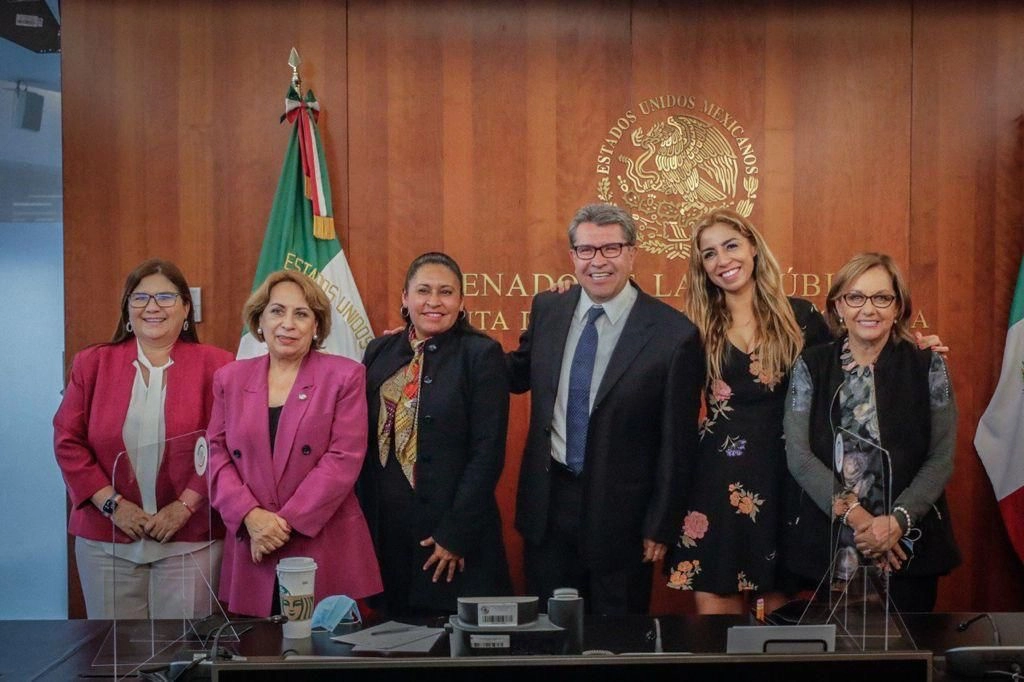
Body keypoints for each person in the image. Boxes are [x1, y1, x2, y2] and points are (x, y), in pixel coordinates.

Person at [508, 203, 704, 615]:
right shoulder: (548, 309)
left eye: (610, 248)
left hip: (624, 520)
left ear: (632, 253)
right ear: (573, 257)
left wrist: (660, 522)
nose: (598, 261)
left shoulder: (674, 334)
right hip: (549, 507)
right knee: (548, 634)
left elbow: (677, 443)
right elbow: (512, 373)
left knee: (617, 642)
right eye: (586, 250)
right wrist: (439, 330)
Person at [664, 209, 831, 615]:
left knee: (773, 629)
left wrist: (916, 352)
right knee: (716, 632)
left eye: (731, 245)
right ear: (701, 267)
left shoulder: (802, 317)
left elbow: (851, 369)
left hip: (785, 481)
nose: (723, 260)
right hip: (714, 483)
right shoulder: (693, 328)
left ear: (753, 247)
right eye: (709, 254)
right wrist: (575, 290)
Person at [53, 258, 234, 619]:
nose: (152, 306)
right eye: (140, 298)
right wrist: (113, 506)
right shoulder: (92, 363)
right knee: (118, 656)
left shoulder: (218, 365)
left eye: (166, 297)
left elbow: (225, 444)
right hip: (107, 541)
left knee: (183, 658)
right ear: (127, 310)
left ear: (186, 309)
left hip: (191, 539)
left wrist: (184, 507)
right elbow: (67, 441)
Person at [783, 252, 960, 612]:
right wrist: (863, 521)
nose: (869, 309)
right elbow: (798, 456)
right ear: (839, 306)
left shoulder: (928, 365)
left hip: (908, 544)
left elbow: (941, 456)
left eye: (882, 298)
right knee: (830, 666)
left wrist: (897, 522)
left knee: (907, 662)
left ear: (898, 308)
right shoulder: (811, 365)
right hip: (830, 544)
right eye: (856, 297)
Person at [208, 270, 382, 616]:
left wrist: (278, 526)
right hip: (253, 544)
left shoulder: (344, 376)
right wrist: (251, 517)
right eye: (277, 311)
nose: (287, 323)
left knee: (325, 656)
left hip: (322, 542)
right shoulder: (230, 378)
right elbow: (216, 452)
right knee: (258, 654)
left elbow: (343, 458)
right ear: (259, 320)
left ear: (317, 325)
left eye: (301, 314)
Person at [359, 252, 512, 616]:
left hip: (451, 541)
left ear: (460, 302)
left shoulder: (481, 355)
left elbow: (487, 452)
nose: (433, 301)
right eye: (423, 290)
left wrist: (455, 534)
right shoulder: (379, 350)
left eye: (446, 292)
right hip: (388, 539)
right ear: (405, 298)